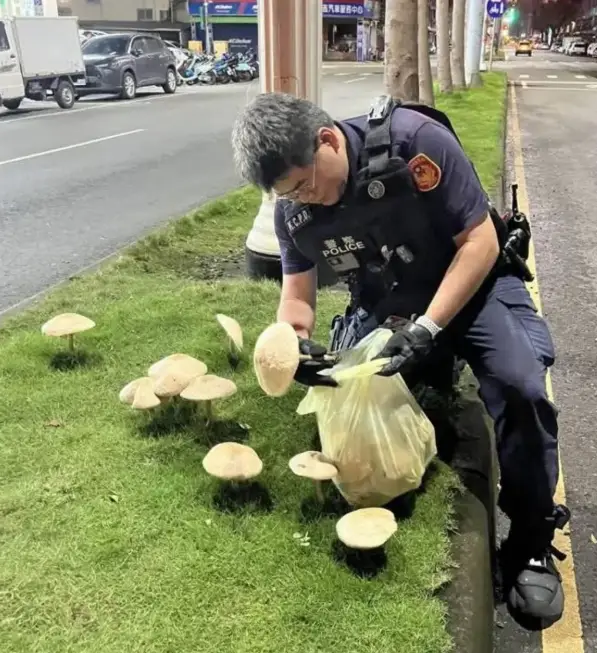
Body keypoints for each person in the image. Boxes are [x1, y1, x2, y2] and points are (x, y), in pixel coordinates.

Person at [231, 92, 570, 624]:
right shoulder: (295, 212)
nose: (304, 199)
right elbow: (297, 299)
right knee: (351, 397)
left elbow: (479, 240)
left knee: (521, 385)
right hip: (392, 303)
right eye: (288, 194)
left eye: (304, 183)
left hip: (477, 286)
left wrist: (429, 328)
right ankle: (431, 380)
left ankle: (529, 539)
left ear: (325, 141)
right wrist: (294, 342)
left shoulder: (414, 142)